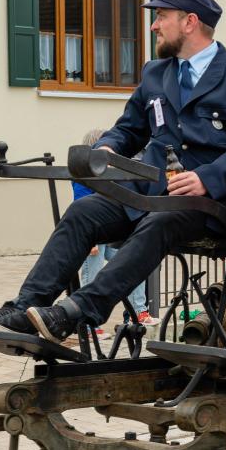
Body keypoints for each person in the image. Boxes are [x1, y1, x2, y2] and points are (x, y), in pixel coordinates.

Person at [0, 0, 226, 342]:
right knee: (84, 213)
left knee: (161, 220)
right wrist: (108, 148)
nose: (153, 25)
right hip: (151, 194)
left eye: (161, 16)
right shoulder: (155, 73)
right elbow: (129, 128)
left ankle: (77, 312)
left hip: (213, 205)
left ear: (189, 22)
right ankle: (23, 309)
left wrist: (207, 178)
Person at [73, 128, 154, 333]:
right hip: (93, 230)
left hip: (108, 228)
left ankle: (138, 312)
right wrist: (89, 241)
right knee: (93, 271)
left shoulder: (107, 172)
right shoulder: (84, 173)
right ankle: (88, 324)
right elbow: (81, 203)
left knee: (134, 261)